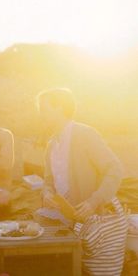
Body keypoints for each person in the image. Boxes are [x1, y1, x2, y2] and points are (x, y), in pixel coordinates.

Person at [36, 88, 127, 275]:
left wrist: (94, 201)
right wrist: (46, 193)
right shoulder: (51, 144)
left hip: (92, 219)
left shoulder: (85, 134)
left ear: (59, 108)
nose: (40, 114)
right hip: (65, 216)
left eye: (43, 109)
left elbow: (115, 169)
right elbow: (48, 180)